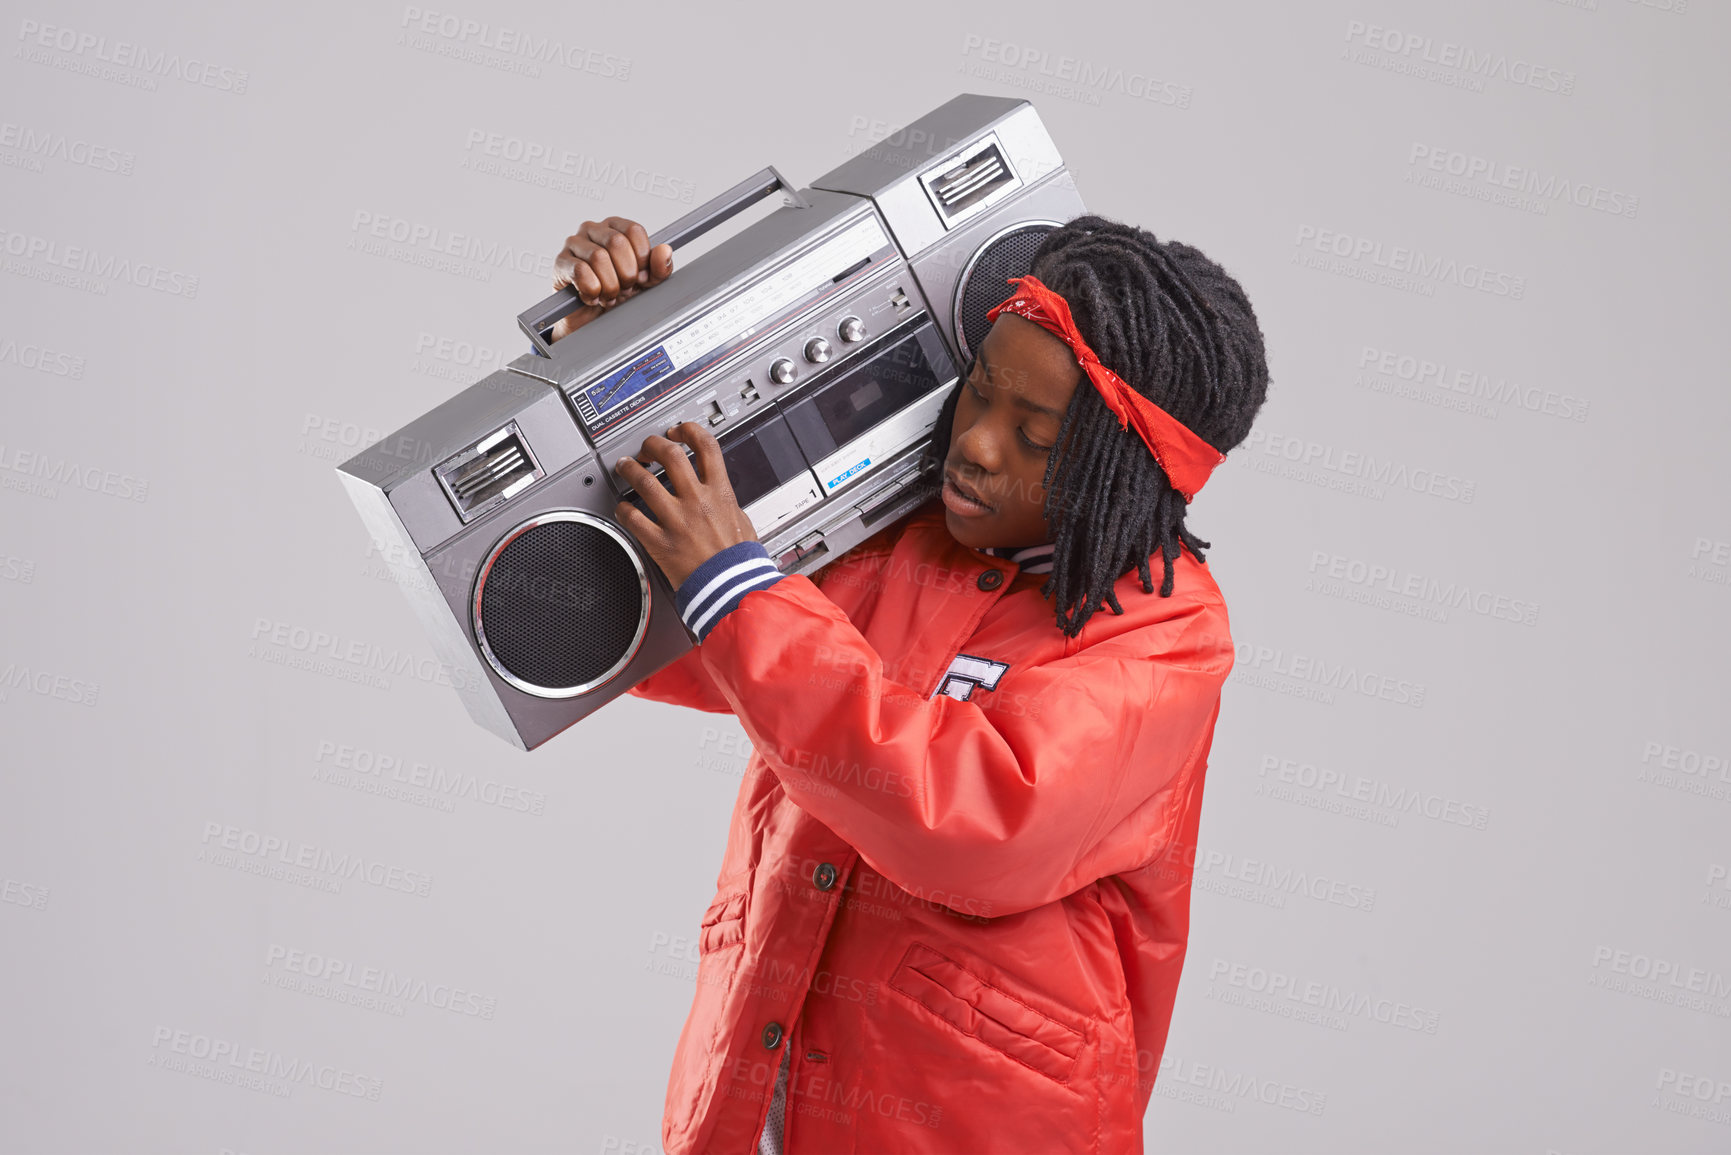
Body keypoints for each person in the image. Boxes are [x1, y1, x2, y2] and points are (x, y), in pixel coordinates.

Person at [550, 212, 1269, 1153]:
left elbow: (973, 822)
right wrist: (622, 367)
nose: (975, 444)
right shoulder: (903, 543)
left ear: (1123, 470)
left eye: (1035, 437)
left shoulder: (1162, 635)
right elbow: (676, 632)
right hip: (764, 1085)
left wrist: (736, 586)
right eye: (977, 394)